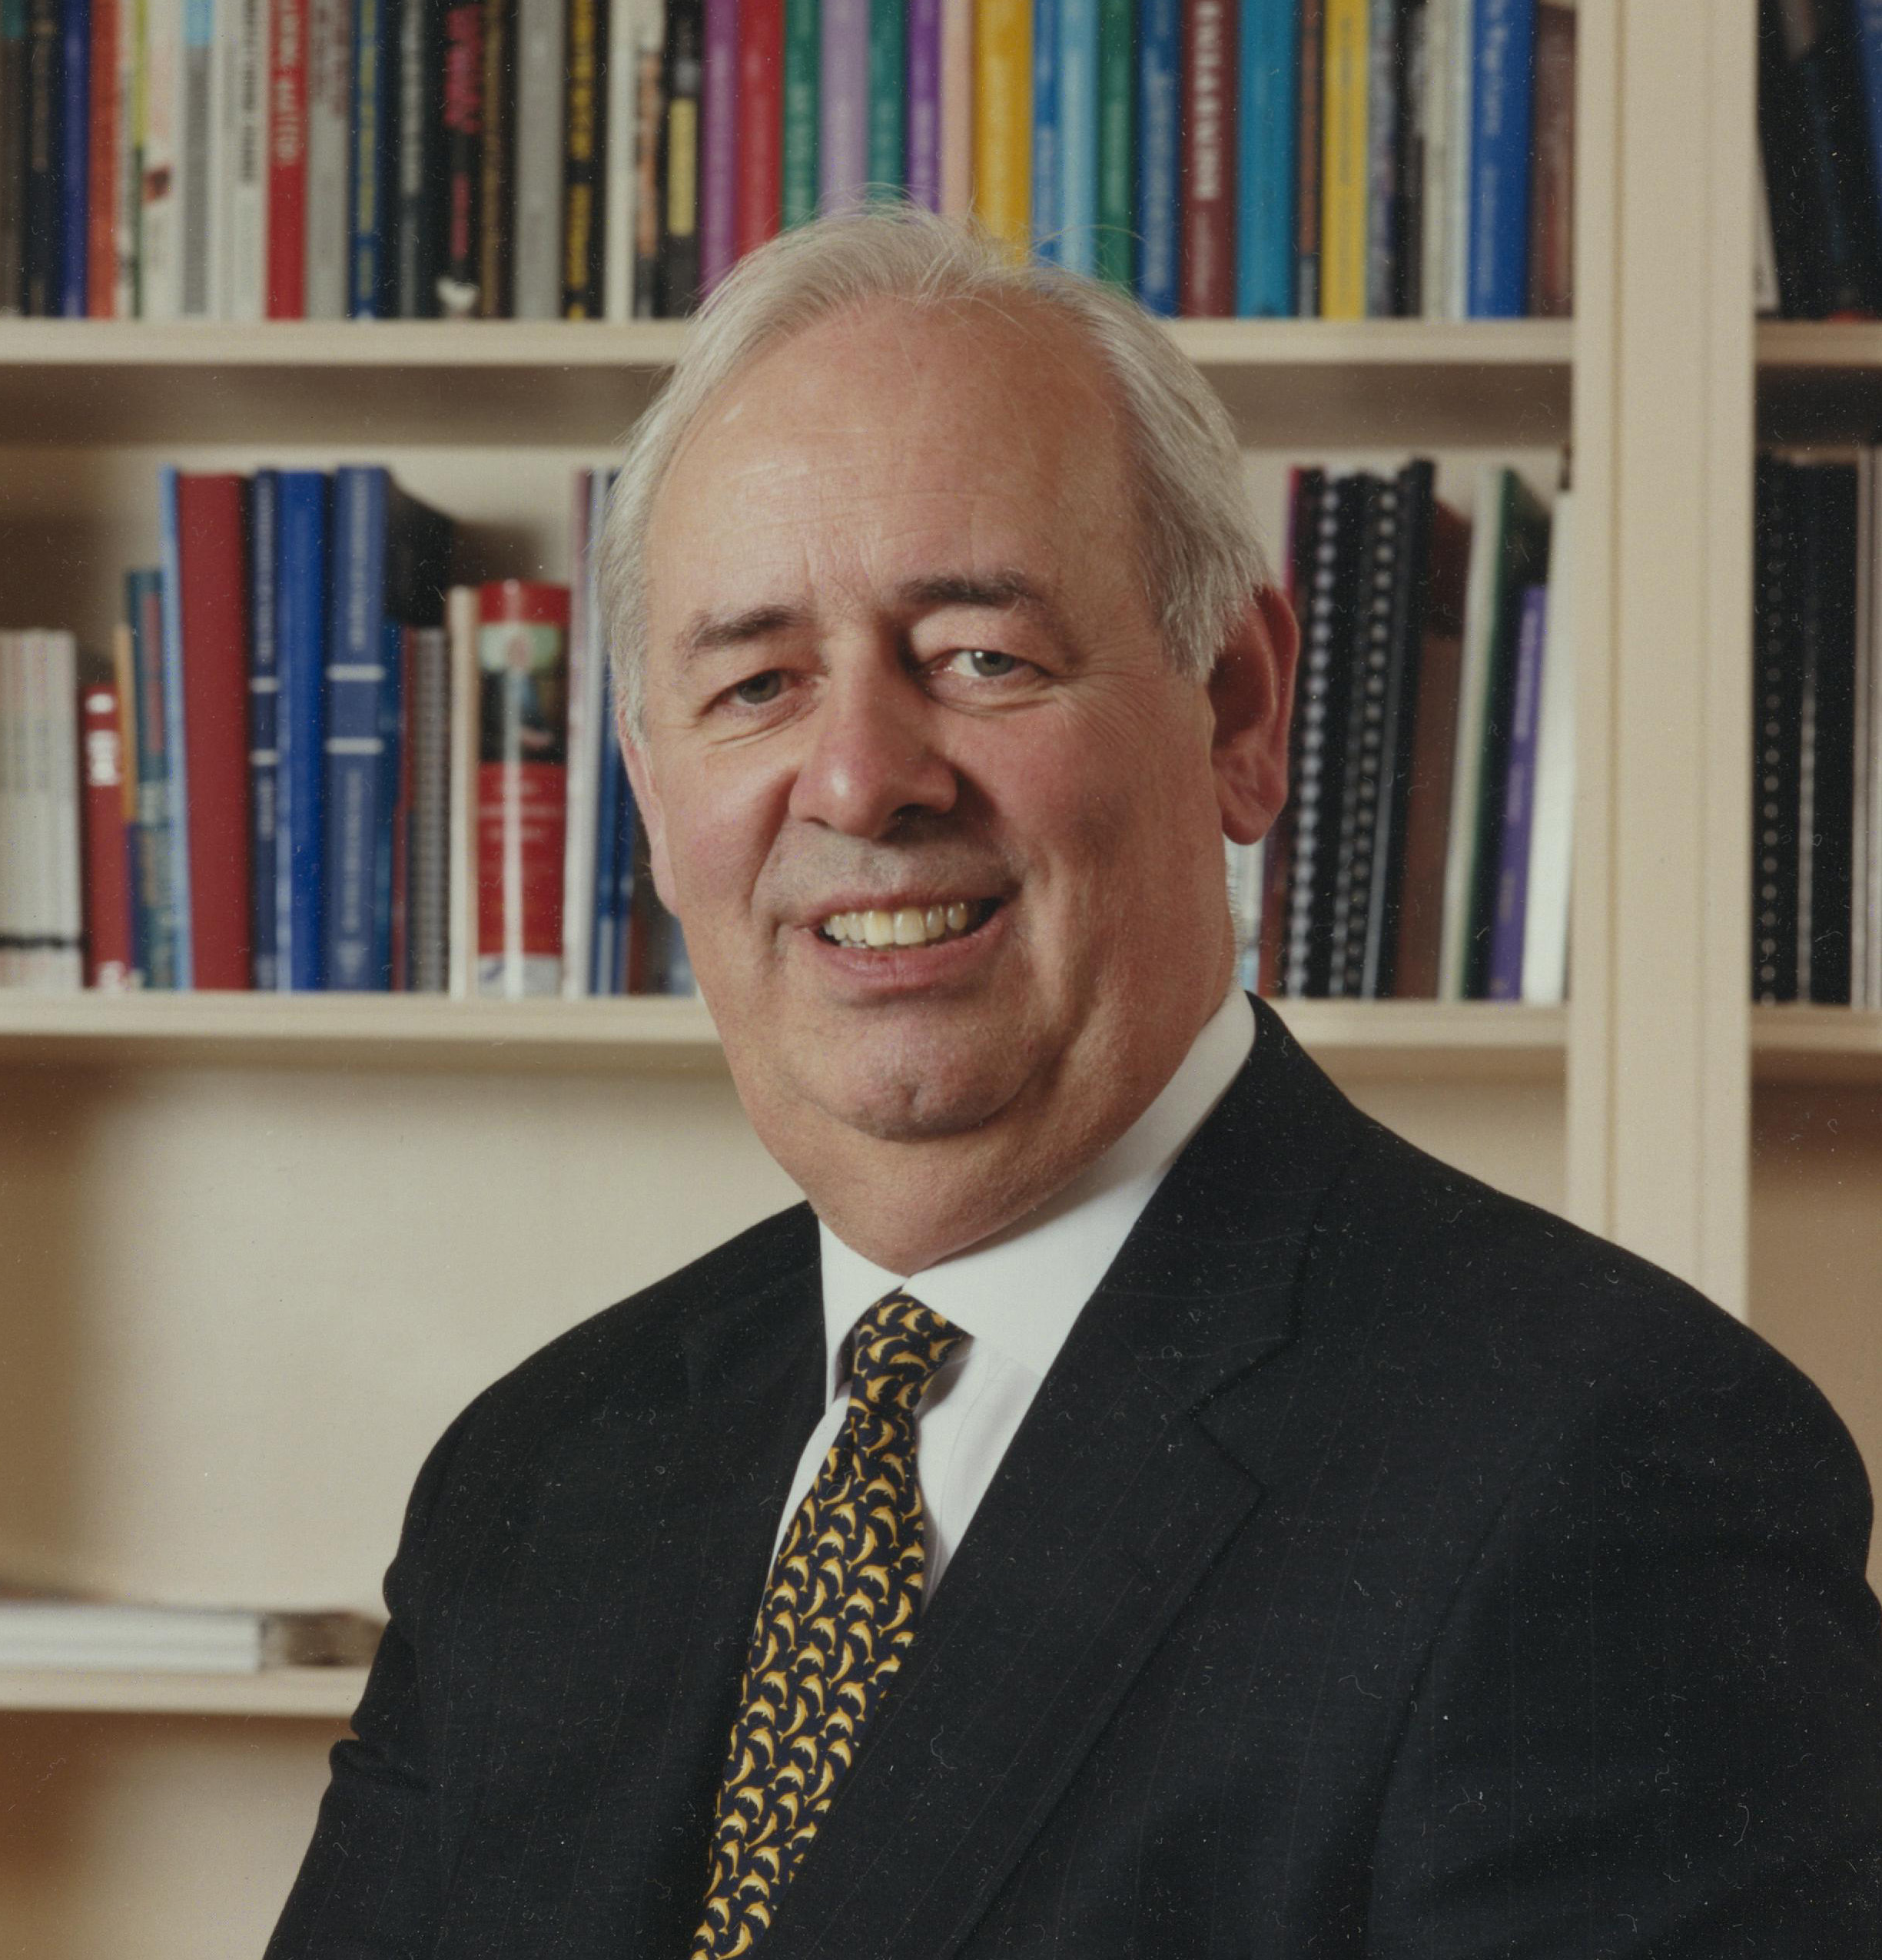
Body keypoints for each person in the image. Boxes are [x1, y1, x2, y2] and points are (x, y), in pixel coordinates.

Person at [267, 207, 1882, 1958]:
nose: (862, 778)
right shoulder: (535, 1481)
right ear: (658, 809)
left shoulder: (1606, 1465)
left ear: (1241, 712)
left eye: (980, 654)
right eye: (756, 681)